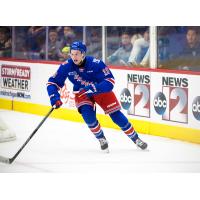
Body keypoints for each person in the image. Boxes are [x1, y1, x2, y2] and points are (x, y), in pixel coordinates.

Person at [46, 41, 147, 152]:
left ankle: (136, 139)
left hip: (101, 90)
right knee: (88, 117)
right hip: (82, 91)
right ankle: (101, 138)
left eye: (77, 54)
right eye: (72, 54)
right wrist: (54, 97)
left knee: (116, 115)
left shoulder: (96, 63)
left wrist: (95, 88)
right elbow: (52, 83)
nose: (74, 57)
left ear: (83, 54)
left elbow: (110, 80)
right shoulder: (66, 66)